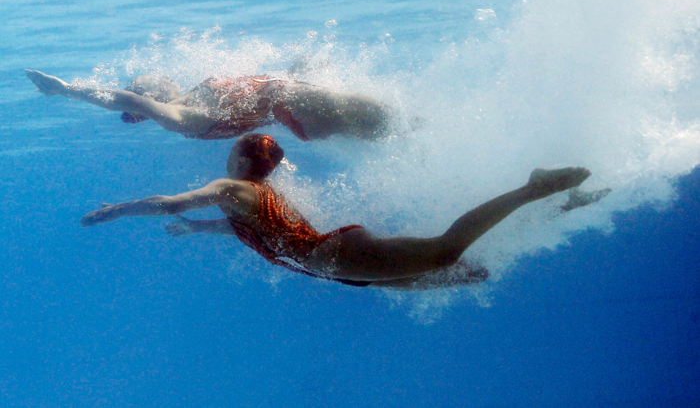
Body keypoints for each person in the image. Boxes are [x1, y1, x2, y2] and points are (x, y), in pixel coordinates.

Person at [80, 134, 592, 290]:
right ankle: (559, 209)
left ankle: (534, 191)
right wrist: (196, 230)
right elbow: (247, 230)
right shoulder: (248, 199)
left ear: (240, 159)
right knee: (468, 272)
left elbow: (170, 200)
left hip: (333, 258)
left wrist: (118, 210)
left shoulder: (231, 185)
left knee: (445, 253)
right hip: (336, 266)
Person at [25, 69, 391, 141]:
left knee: (383, 122)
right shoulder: (179, 117)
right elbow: (130, 99)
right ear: (149, 97)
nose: (143, 80)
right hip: (294, 105)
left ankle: (413, 133)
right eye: (139, 87)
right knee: (386, 120)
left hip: (292, 104)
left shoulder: (192, 95)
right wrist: (66, 90)